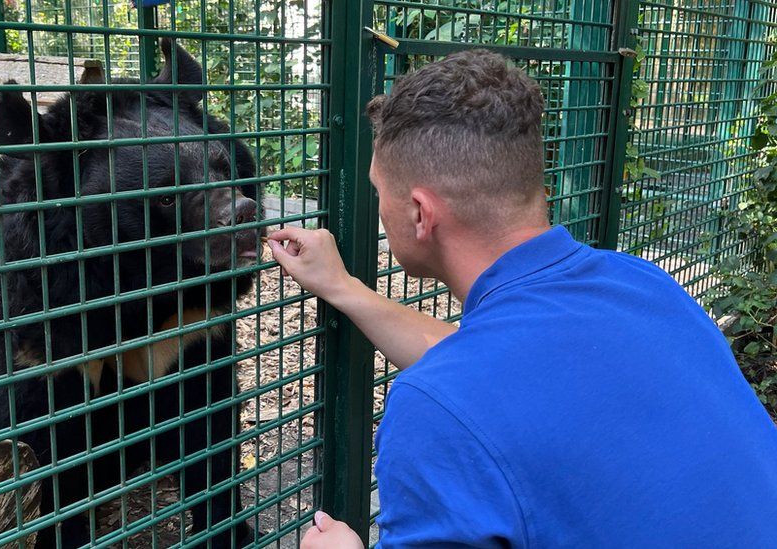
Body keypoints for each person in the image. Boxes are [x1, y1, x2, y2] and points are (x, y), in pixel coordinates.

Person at [266, 49, 777, 548]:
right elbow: (504, 377)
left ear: (421, 214)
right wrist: (343, 288)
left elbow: (473, 390)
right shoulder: (645, 286)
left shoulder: (435, 414)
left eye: (380, 189)